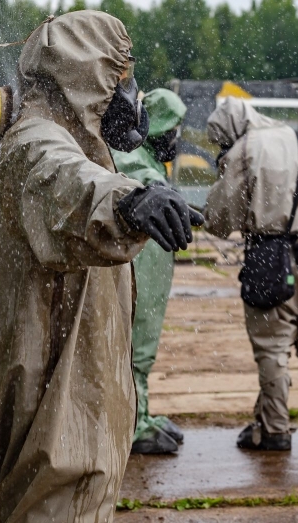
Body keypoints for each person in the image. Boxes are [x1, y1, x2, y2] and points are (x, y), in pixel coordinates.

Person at [0, 11, 203, 521]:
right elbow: (69, 183)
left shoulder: (34, 137)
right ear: (88, 79)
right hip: (58, 422)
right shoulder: (35, 144)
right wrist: (129, 202)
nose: (132, 99)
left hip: (46, 402)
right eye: (123, 81)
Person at [202, 97, 298, 451]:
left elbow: (219, 222)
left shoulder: (244, 151)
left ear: (229, 132)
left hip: (272, 263)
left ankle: (275, 432)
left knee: (272, 348)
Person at [110, 88, 187, 455]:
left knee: (143, 346)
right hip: (138, 272)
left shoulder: (153, 158)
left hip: (151, 271)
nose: (177, 138)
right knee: (134, 346)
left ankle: (143, 413)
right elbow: (134, 176)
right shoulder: (134, 158)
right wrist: (156, 187)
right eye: (173, 129)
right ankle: (134, 424)